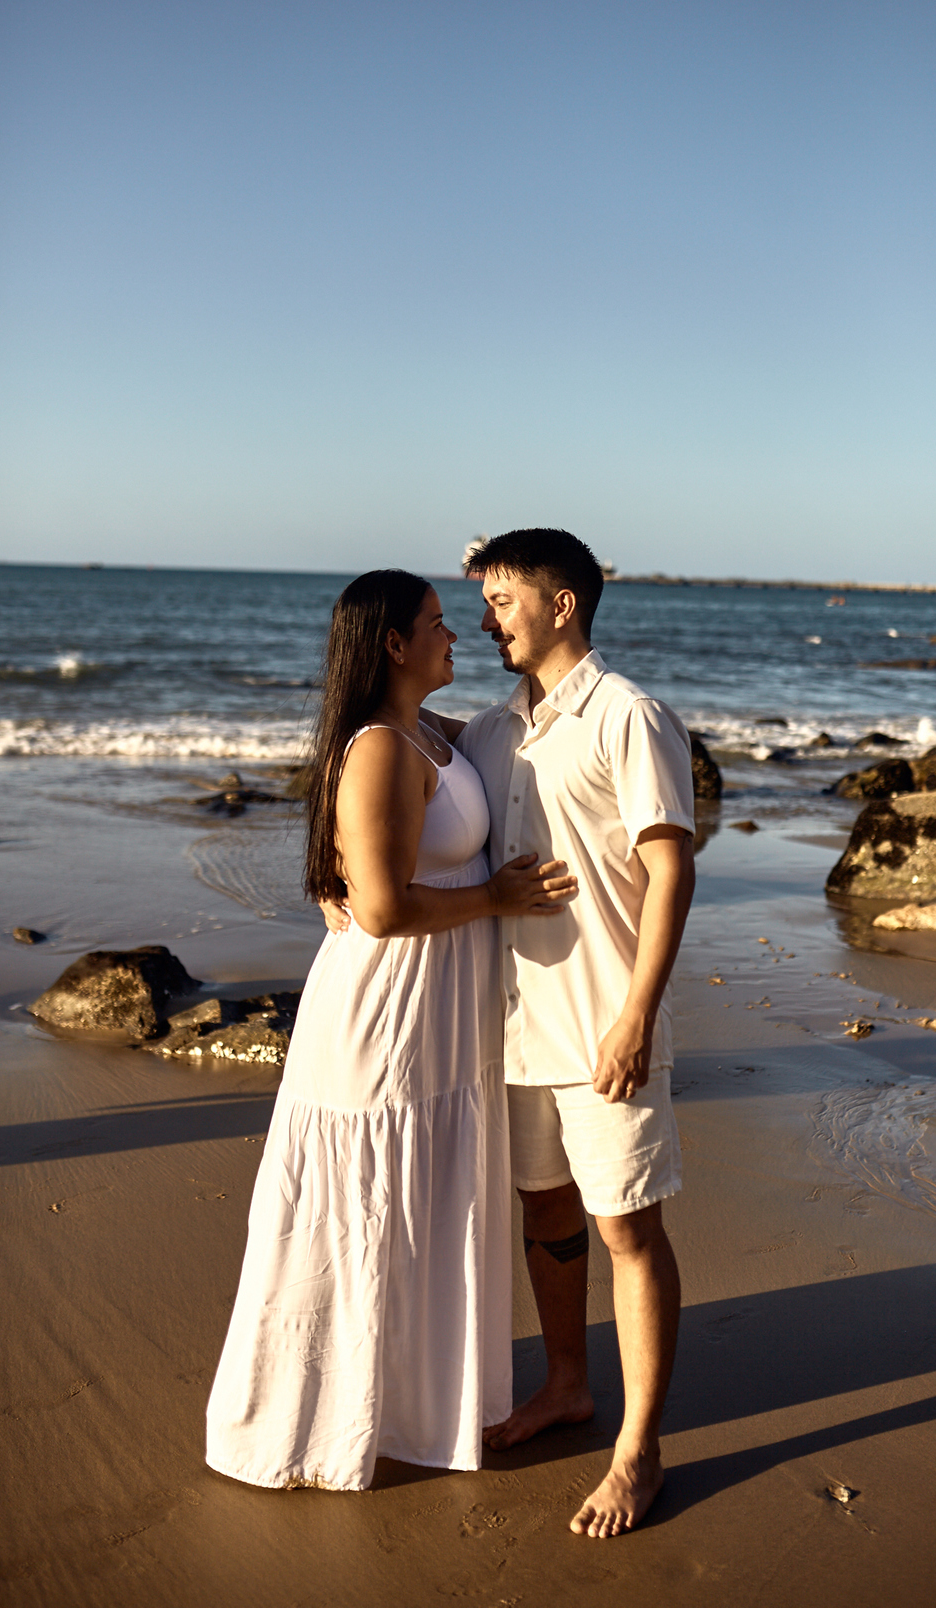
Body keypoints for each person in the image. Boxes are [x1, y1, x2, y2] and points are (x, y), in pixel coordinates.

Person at [205, 569, 577, 1491]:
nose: (459, 635)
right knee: (365, 1210)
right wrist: (495, 898)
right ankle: (320, 1423)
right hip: (386, 1012)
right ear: (394, 645)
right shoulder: (378, 746)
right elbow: (377, 908)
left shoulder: (427, 730)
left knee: (420, 1207)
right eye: (438, 623)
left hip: (438, 1012)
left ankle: (412, 1407)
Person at [432, 528, 696, 1539]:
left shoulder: (629, 716)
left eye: (502, 600)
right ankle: (566, 1386)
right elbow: (394, 749)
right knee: (545, 1213)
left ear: (562, 604)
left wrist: (637, 1015)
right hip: (514, 1033)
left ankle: (640, 1450)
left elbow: (671, 869)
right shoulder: (490, 732)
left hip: (604, 1027)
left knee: (627, 1228)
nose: (485, 620)